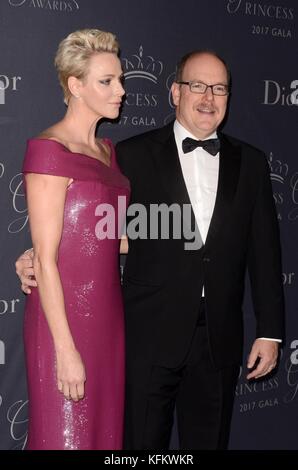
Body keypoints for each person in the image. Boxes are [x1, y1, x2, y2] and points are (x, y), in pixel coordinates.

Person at [17, 50, 284, 450]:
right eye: (197, 86)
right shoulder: (128, 155)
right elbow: (92, 221)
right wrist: (32, 254)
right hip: (146, 336)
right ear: (175, 92)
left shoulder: (252, 163)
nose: (208, 98)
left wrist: (270, 332)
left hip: (219, 339)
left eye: (219, 89)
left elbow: (266, 251)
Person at [18, 29, 130, 450]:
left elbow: (109, 238)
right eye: (107, 81)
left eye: (120, 79)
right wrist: (65, 350)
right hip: (61, 320)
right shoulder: (49, 151)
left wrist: (189, 238)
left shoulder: (107, 152)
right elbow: (45, 260)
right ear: (75, 86)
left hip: (109, 318)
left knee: (104, 436)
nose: (120, 90)